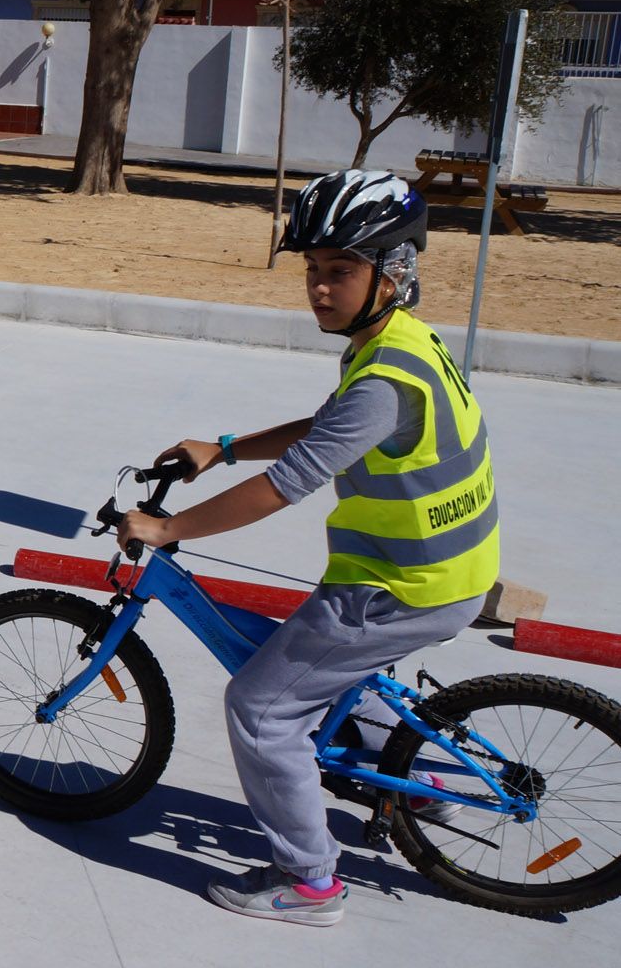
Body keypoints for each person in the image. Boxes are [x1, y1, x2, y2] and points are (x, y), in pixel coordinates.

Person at [117, 169, 497, 928]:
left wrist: (167, 528)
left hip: (399, 587)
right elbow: (327, 425)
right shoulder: (400, 343)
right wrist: (221, 447)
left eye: (342, 271)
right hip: (449, 569)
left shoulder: (382, 377)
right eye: (314, 271)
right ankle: (420, 784)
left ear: (393, 273)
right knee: (328, 678)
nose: (321, 289)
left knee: (260, 709)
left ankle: (309, 882)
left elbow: (285, 486)